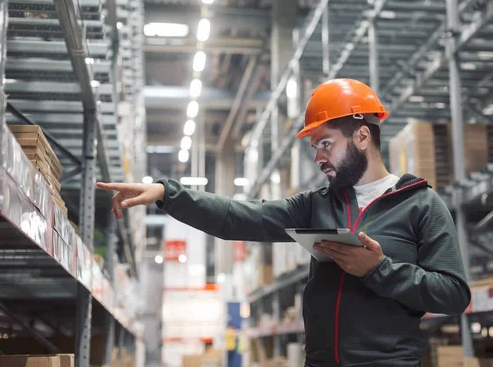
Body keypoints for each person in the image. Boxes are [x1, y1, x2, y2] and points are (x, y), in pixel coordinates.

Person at [98, 78, 471, 367]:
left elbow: (454, 293)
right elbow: (240, 217)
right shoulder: (315, 205)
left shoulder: (420, 204)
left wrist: (379, 270)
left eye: (326, 143)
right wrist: (167, 193)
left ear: (362, 136)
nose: (318, 157)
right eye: (315, 148)